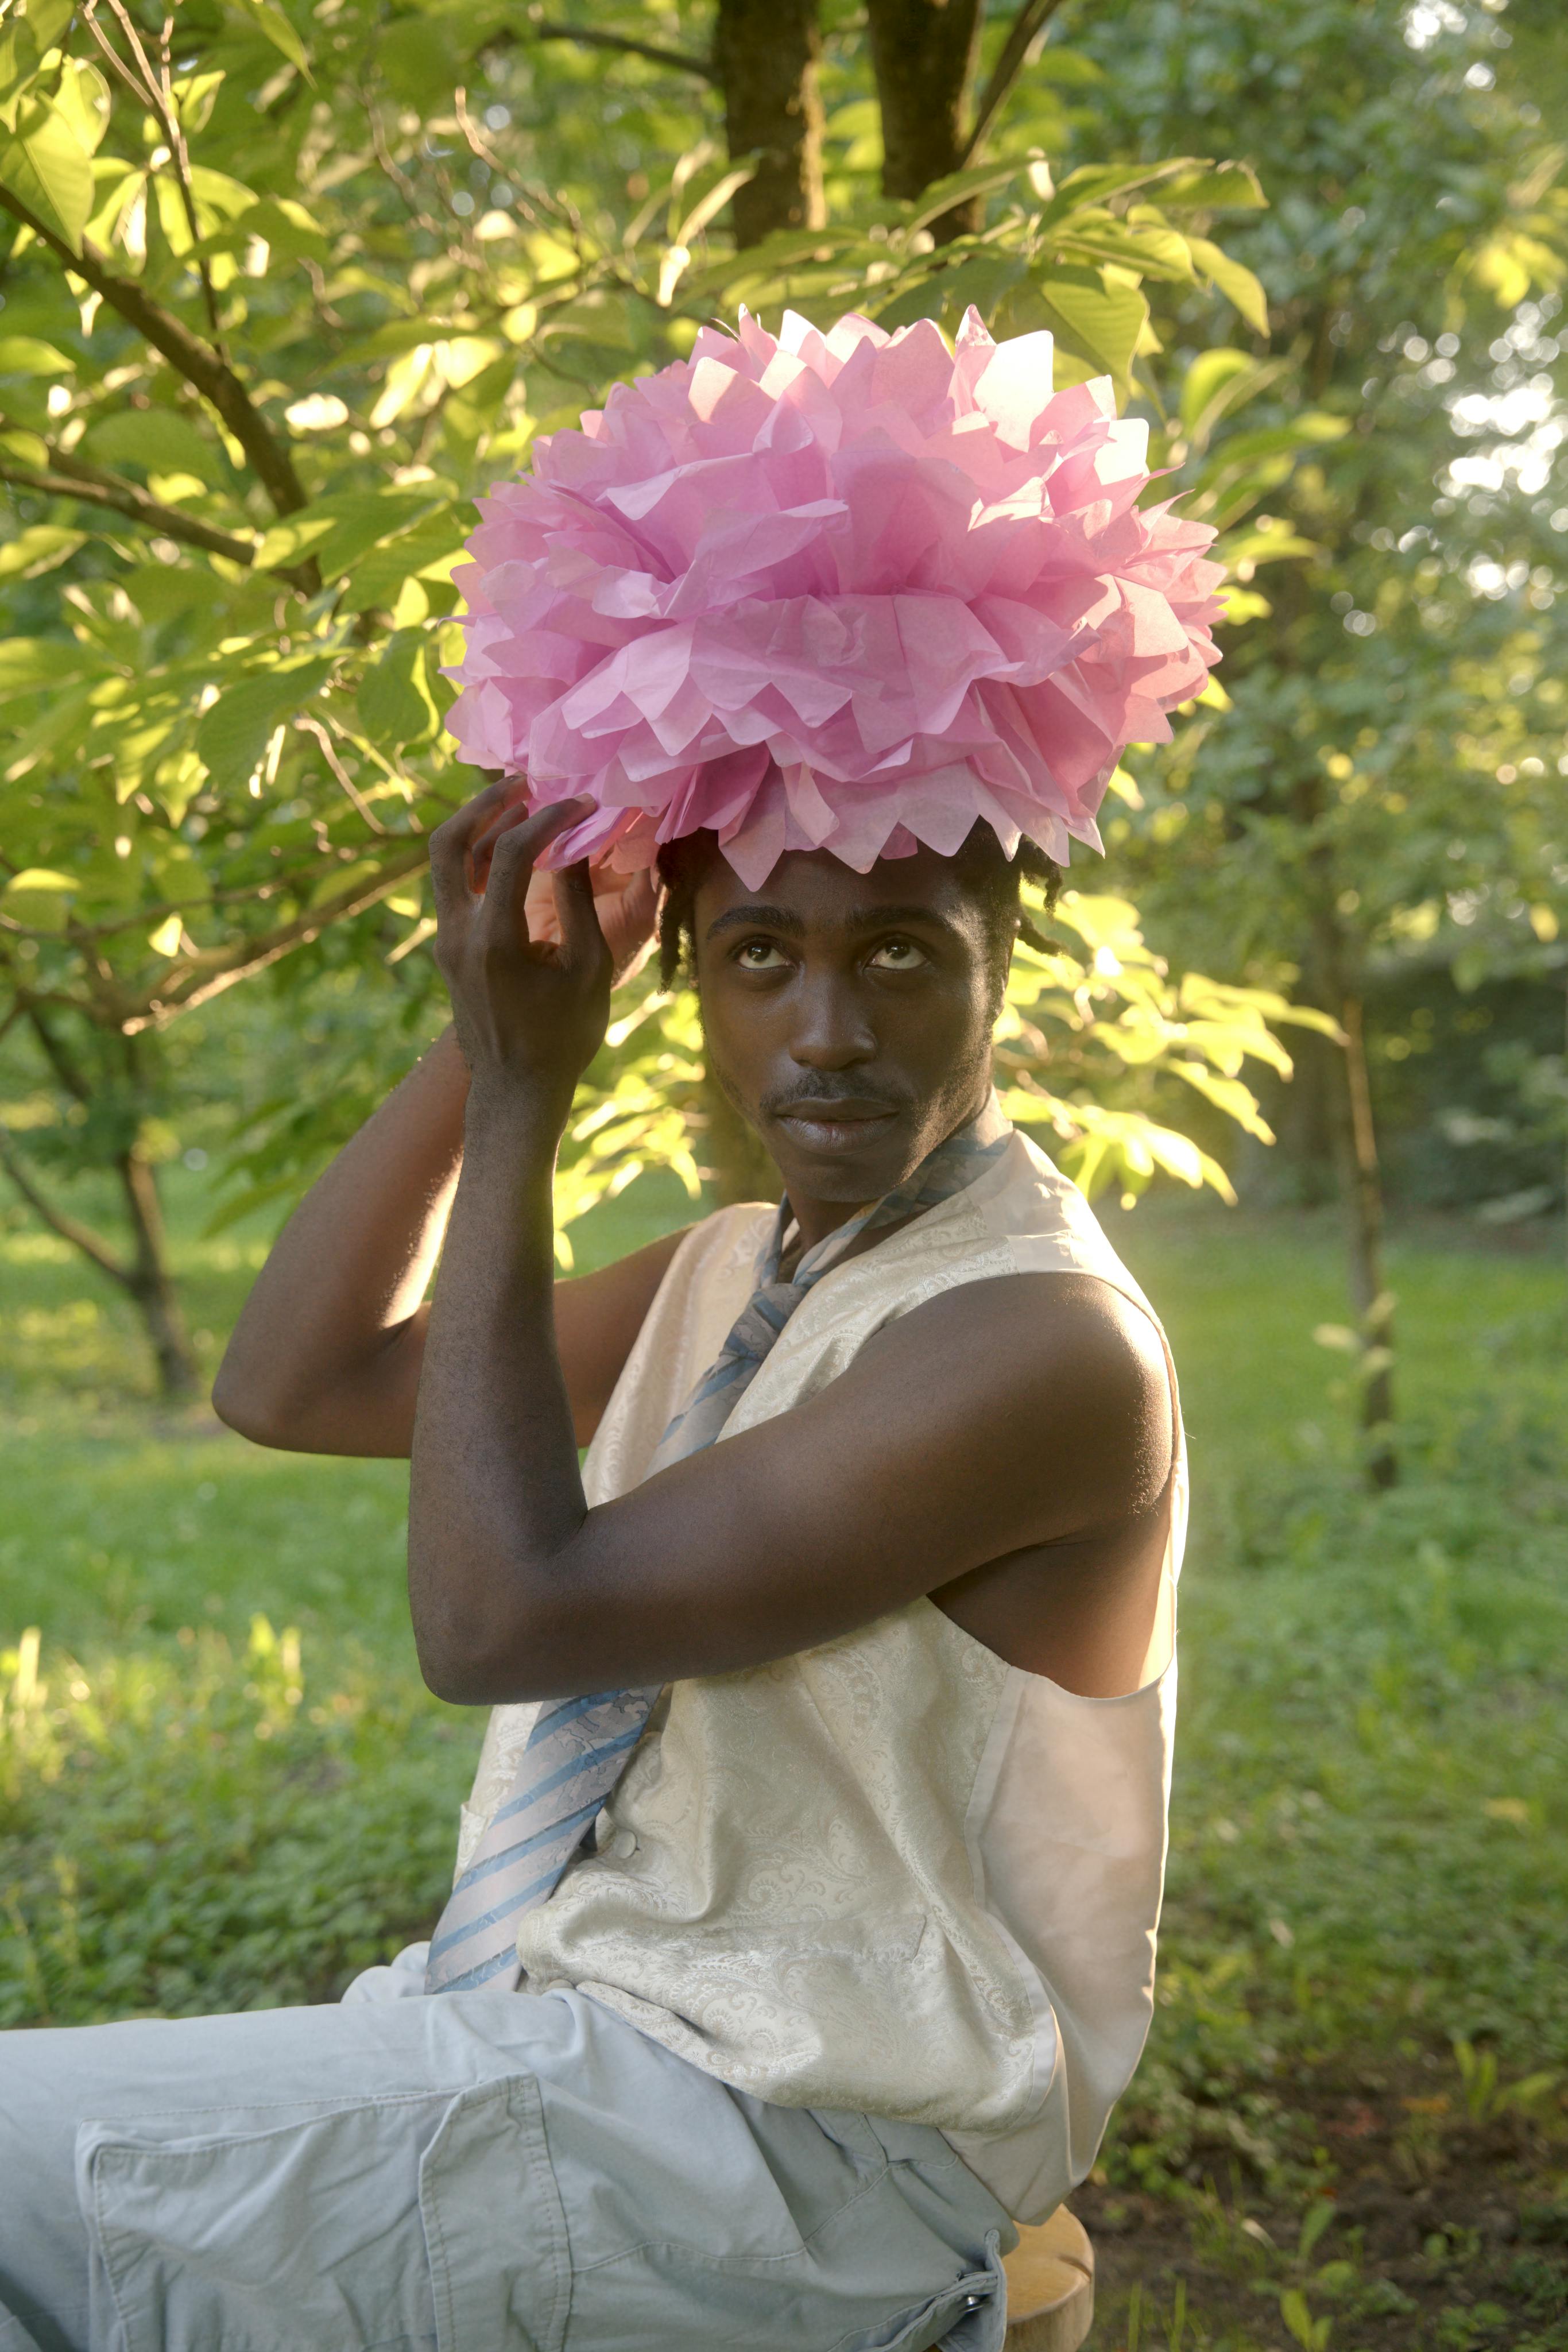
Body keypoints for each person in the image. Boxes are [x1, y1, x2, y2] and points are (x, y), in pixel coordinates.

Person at [0, 307, 1220, 2352]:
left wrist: (529, 1100)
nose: (828, 1029)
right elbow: (289, 1386)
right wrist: (491, 1020)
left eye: (903, 955)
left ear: (1006, 969)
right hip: (564, 2044)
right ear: (694, 982)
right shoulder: (735, 1266)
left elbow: (499, 1622)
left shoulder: (1038, 1347)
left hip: (802, 2145)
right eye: (762, 955)